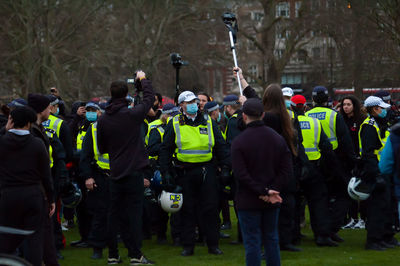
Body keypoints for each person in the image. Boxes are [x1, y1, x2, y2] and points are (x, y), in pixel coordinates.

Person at [159, 90, 230, 256]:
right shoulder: (175, 122)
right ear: (181, 105)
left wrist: (226, 167)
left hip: (207, 170)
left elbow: (220, 146)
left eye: (195, 102)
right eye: (189, 102)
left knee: (211, 209)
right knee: (187, 210)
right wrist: (165, 172)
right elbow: (165, 150)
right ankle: (188, 246)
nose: (194, 105)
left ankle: (213, 244)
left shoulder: (208, 121)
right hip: (185, 172)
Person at [97, 71, 155, 265]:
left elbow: (102, 147)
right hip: (133, 173)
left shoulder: (103, 119)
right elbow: (149, 99)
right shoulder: (132, 115)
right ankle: (135, 254)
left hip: (114, 173)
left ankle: (113, 254)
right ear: (125, 94)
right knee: (133, 215)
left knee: (113, 214)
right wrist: (143, 79)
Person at [232, 98, 291, 266]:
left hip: (249, 198)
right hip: (271, 198)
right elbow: (286, 170)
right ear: (263, 115)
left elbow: (241, 174)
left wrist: (264, 191)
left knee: (252, 242)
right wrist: (271, 190)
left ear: (244, 116)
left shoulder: (239, 142)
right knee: (271, 240)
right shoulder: (277, 139)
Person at [0, 106, 55, 266]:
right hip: (32, 196)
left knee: (6, 238)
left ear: (12, 121)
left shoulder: (2, 142)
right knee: (34, 241)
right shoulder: (37, 144)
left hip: (8, 196)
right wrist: (51, 198)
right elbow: (46, 175)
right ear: (29, 123)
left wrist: (4, 130)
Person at [306, 86, 355, 240]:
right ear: (327, 99)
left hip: (314, 160)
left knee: (319, 199)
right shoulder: (334, 115)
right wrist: (352, 160)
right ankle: (331, 228)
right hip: (335, 159)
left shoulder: (306, 115)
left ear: (313, 99)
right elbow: (345, 139)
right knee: (343, 194)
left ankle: (321, 230)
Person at [359, 96, 396, 250]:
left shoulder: (380, 124)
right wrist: (376, 174)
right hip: (376, 172)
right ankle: (374, 240)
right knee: (377, 208)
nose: (384, 110)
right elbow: (368, 153)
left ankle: (386, 236)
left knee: (387, 206)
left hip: (384, 171)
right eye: (382, 108)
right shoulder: (369, 126)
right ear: (375, 109)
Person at [339, 96, 367, 229]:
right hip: (346, 159)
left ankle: (363, 218)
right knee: (349, 190)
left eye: (348, 104)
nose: (346, 107)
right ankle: (353, 218)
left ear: (354, 106)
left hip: (359, 158)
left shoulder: (361, 120)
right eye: (344, 104)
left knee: (361, 189)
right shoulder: (342, 120)